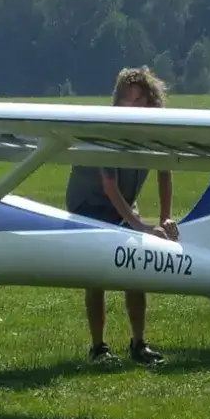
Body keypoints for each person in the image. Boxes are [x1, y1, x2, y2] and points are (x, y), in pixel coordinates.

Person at [64, 66, 178, 366]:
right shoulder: (107, 131)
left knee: (135, 269)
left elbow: (165, 173)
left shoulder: (155, 133)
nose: (132, 106)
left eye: (139, 100)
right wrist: (141, 226)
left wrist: (165, 219)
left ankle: (139, 344)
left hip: (124, 201)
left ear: (151, 102)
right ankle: (98, 348)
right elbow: (109, 186)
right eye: (126, 100)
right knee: (96, 274)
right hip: (89, 204)